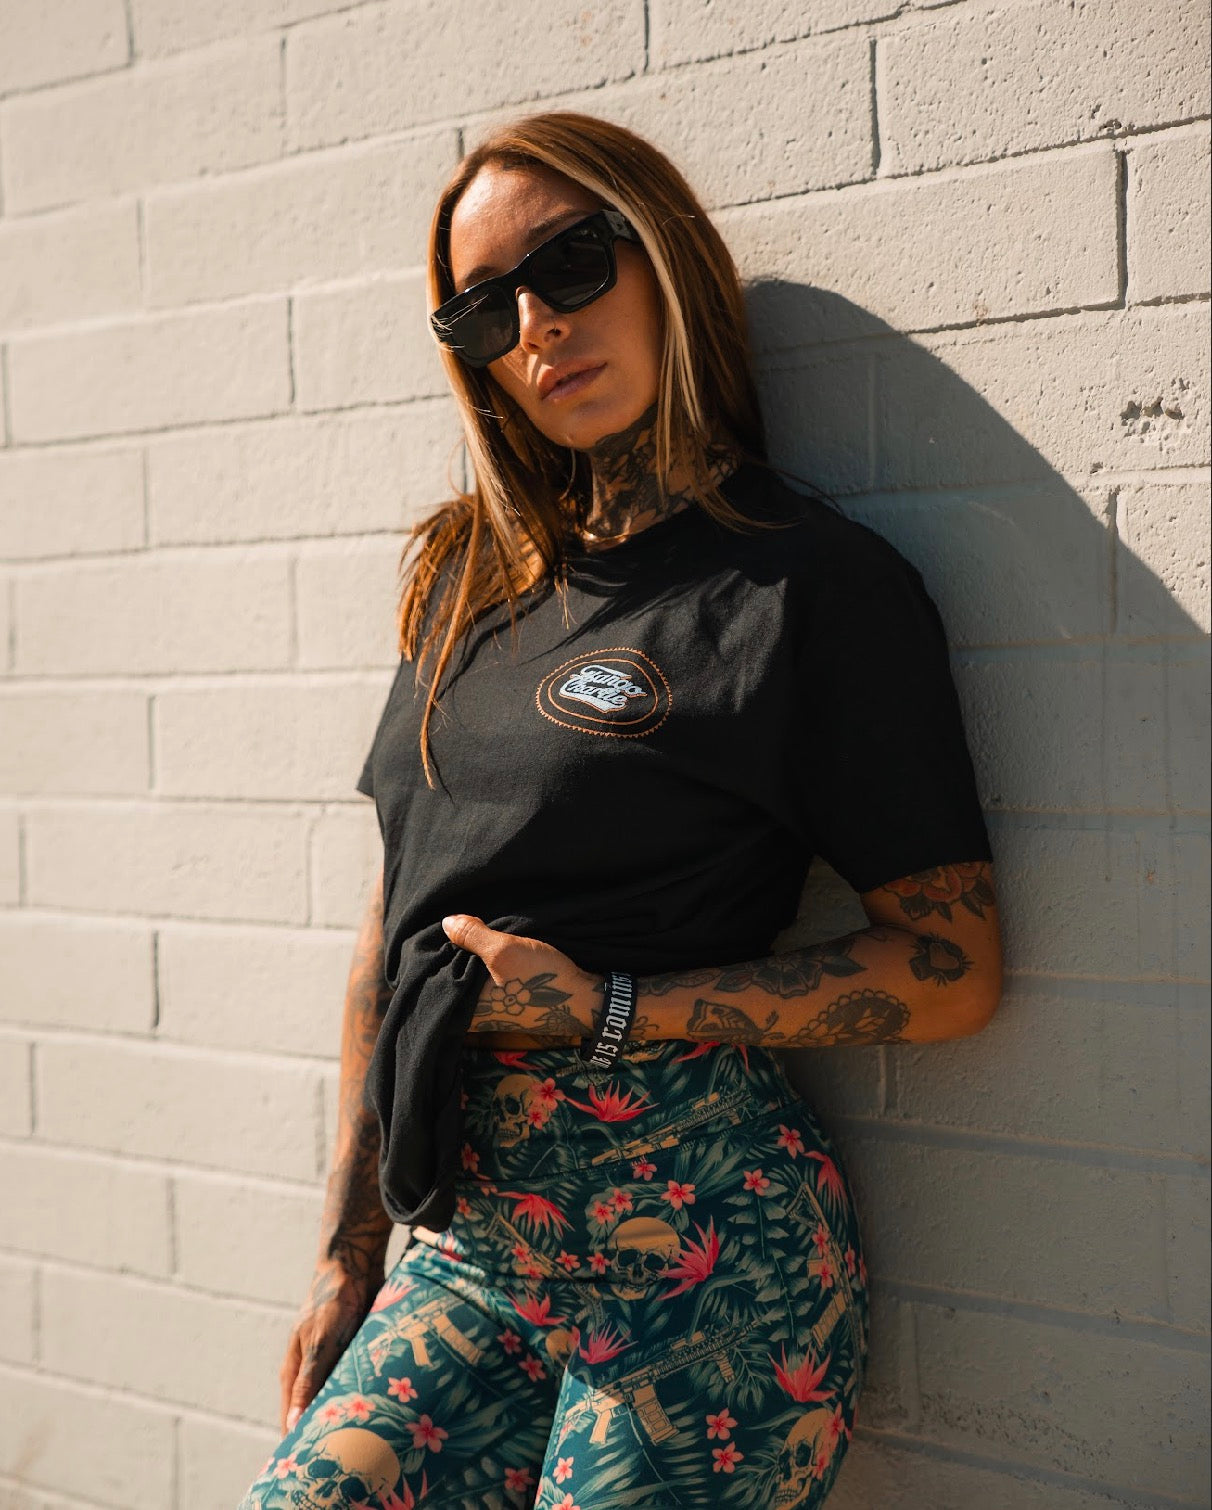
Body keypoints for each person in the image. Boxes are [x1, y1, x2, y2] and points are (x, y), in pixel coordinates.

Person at [238, 111, 1002, 1510]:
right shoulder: (468, 580)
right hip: (475, 1248)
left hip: (706, 1252)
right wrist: (347, 1249)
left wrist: (611, 1007)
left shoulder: (809, 589)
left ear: (665, 259)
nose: (536, 325)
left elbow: (952, 969)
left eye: (571, 264)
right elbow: (390, 923)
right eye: (483, 311)